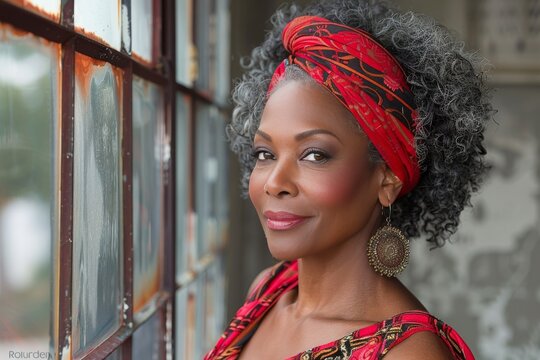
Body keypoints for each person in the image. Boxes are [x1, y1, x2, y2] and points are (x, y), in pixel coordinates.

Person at [206, 0, 493, 358]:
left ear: (387, 180)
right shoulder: (268, 289)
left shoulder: (408, 353)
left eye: (314, 155)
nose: (273, 182)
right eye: (265, 154)